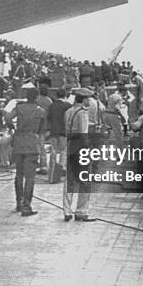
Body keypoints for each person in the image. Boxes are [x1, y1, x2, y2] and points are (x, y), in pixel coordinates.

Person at [5, 88, 48, 216]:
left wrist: (12, 128)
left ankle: (18, 202)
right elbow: (42, 130)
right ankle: (26, 205)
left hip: (18, 142)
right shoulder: (41, 111)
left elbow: (7, 117)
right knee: (30, 177)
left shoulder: (19, 108)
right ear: (37, 97)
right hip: (32, 143)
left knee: (19, 174)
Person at [63, 88, 96, 221]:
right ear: (83, 99)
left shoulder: (68, 111)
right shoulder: (83, 113)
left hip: (70, 146)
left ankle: (67, 211)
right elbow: (83, 133)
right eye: (88, 98)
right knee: (85, 181)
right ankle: (81, 211)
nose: (89, 101)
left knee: (69, 180)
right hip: (80, 148)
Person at [48, 88, 72, 171]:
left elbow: (49, 118)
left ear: (56, 95)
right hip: (63, 131)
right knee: (63, 150)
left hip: (53, 130)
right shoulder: (68, 105)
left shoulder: (52, 105)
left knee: (53, 150)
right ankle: (62, 167)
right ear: (65, 95)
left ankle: (53, 166)